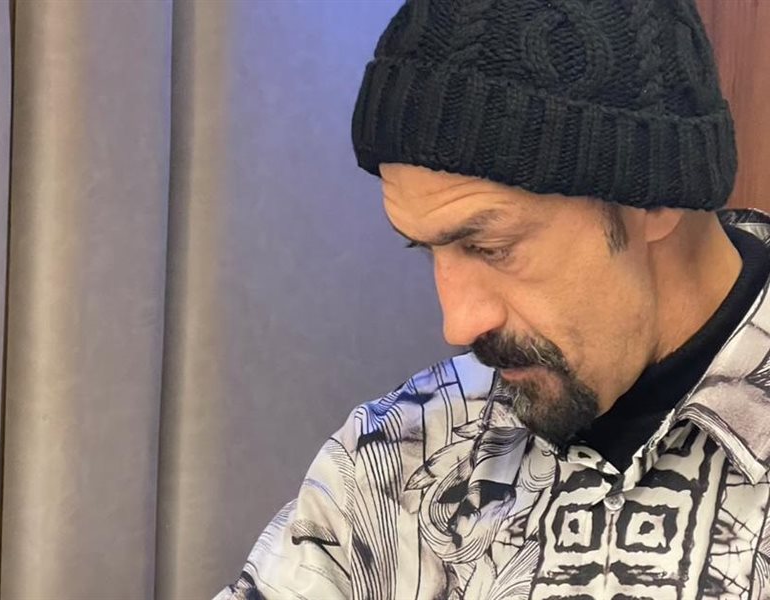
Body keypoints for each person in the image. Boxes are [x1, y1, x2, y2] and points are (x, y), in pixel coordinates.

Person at [215, 0, 770, 598]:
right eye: (427, 250)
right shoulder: (390, 461)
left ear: (655, 200)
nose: (458, 325)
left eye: (491, 247)